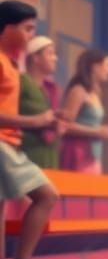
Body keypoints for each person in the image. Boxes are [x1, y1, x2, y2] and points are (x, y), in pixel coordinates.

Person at [0, 1, 61, 259]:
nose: (30, 35)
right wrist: (33, 120)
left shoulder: (9, 63)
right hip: (1, 143)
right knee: (44, 195)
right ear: (8, 28)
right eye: (27, 29)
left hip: (10, 144)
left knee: (46, 195)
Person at [59, 49, 108, 175]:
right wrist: (97, 131)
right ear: (95, 67)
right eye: (107, 66)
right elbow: (65, 126)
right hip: (78, 151)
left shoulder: (95, 93)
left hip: (93, 152)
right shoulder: (78, 91)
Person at [19, 35, 62, 170]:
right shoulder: (21, 82)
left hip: (49, 154)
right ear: (36, 58)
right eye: (50, 53)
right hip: (26, 154)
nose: (55, 58)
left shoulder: (51, 89)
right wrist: (37, 121)